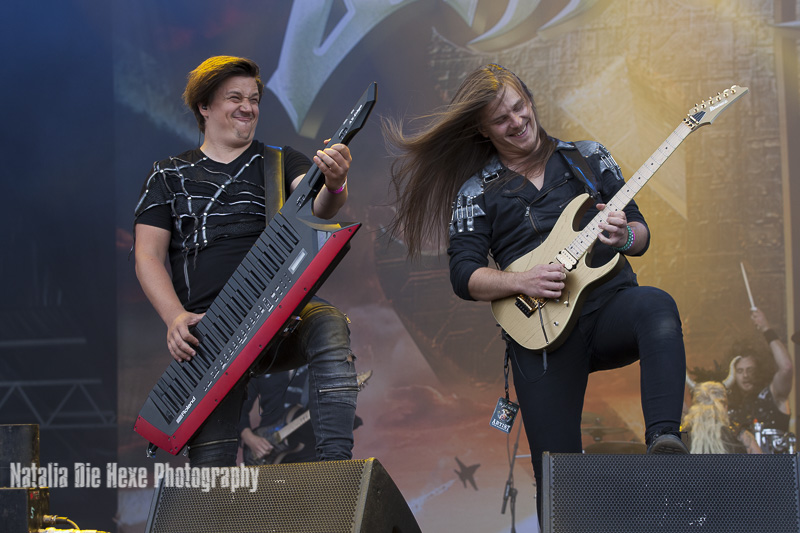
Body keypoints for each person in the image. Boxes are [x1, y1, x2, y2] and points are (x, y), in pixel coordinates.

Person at [383, 63, 687, 518]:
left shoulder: (587, 156)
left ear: (530, 100)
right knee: (558, 481)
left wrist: (623, 235)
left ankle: (664, 442)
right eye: (501, 119)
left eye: (519, 107)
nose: (518, 122)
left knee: (658, 306)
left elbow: (641, 235)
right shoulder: (476, 192)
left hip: (608, 310)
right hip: (540, 339)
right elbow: (463, 275)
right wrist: (520, 281)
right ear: (483, 130)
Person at [133, 55, 359, 467]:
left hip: (278, 315)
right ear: (204, 106)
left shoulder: (278, 161)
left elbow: (322, 208)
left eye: (254, 99)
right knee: (212, 484)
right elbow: (147, 255)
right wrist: (174, 318)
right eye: (235, 97)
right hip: (210, 336)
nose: (248, 107)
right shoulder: (166, 175)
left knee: (328, 322)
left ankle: (337, 470)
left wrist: (336, 181)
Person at [725, 308, 793, 437]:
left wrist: (766, 329)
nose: (745, 375)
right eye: (739, 371)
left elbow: (786, 367)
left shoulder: (773, 394)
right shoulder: (730, 405)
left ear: (759, 369)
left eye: (750, 370)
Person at [682, 381, 760, 454]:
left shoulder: (682, 436)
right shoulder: (740, 435)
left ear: (695, 407)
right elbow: (762, 465)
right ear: (725, 407)